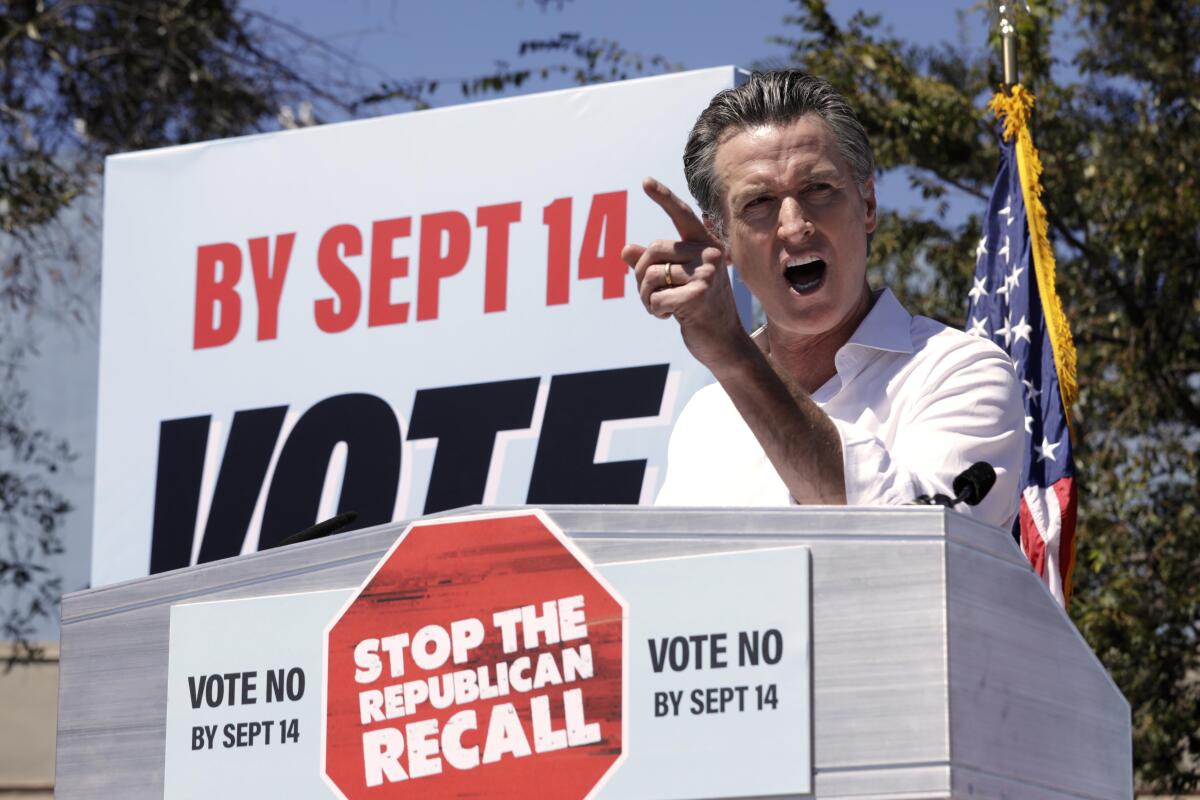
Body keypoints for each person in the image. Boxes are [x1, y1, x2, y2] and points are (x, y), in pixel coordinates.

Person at [623, 70, 1023, 528]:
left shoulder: (959, 370)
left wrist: (731, 353)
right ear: (722, 239)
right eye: (759, 203)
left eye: (818, 189)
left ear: (868, 205)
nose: (794, 225)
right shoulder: (705, 418)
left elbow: (915, 546)